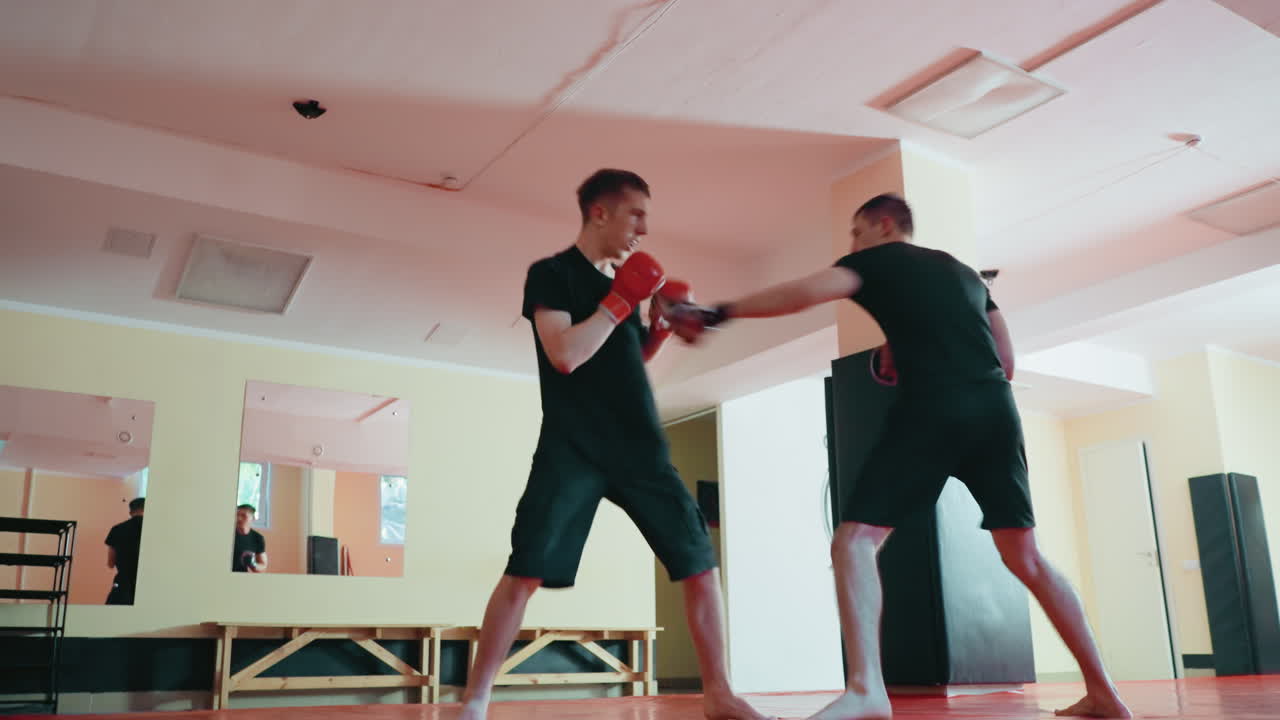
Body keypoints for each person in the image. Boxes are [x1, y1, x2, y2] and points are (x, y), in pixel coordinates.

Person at [669, 194, 1132, 720]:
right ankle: (1105, 694)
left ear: (884, 225)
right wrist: (909, 347)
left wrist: (717, 312)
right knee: (1026, 556)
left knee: (855, 541)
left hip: (933, 409)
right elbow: (1005, 360)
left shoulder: (877, 260)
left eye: (856, 233)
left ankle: (868, 690)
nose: (853, 246)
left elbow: (805, 293)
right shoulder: (965, 274)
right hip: (997, 413)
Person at [456, 169, 768, 720]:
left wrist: (658, 332)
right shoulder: (552, 275)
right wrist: (621, 302)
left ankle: (719, 694)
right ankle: (475, 699)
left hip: (640, 447)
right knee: (525, 568)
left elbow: (621, 362)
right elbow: (566, 355)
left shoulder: (628, 281)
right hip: (571, 445)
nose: (643, 229)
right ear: (600, 212)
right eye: (635, 214)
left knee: (699, 562)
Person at [104, 497, 145, 605]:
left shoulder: (117, 529)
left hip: (123, 583)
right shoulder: (155, 530)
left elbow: (110, 563)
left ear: (130, 512)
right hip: (148, 583)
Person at [232, 504, 268, 573]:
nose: (238, 518)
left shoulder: (257, 538)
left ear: (253, 518)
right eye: (237, 515)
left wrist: (253, 564)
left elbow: (263, 566)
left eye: (243, 516)